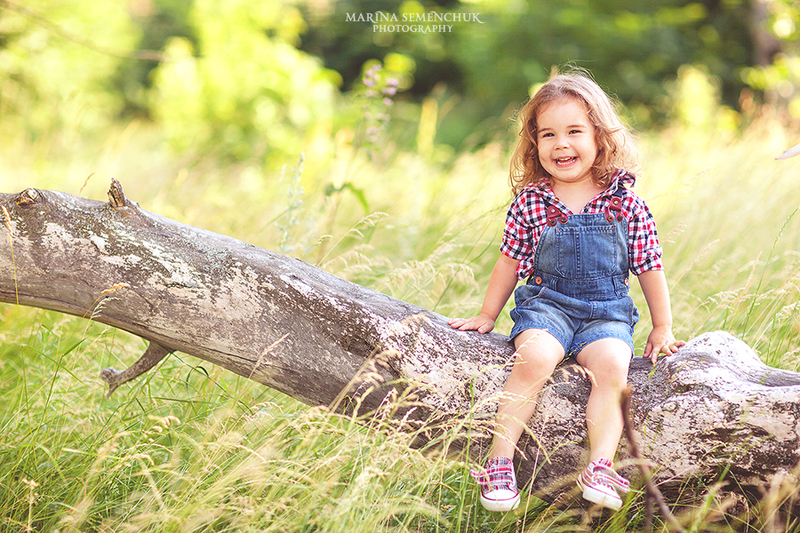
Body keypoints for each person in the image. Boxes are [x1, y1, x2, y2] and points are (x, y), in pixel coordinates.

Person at [448, 69, 684, 512]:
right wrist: (487, 315)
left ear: (600, 136)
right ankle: (499, 463)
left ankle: (600, 466)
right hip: (547, 307)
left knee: (613, 366)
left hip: (606, 313)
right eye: (548, 134)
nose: (561, 144)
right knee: (535, 358)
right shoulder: (532, 201)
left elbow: (650, 266)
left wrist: (662, 326)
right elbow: (509, 262)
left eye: (574, 131)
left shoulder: (626, 203)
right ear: (534, 143)